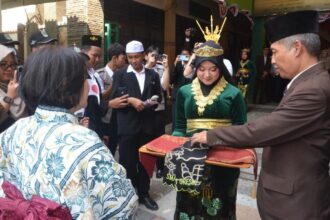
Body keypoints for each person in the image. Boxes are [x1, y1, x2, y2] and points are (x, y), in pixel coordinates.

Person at [191, 10, 330, 219]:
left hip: (297, 204)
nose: (272, 60)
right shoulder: (308, 81)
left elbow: (266, 129)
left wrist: (211, 136)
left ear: (297, 48)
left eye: (274, 52)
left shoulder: (313, 89)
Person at [0, 47, 138, 219]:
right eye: (84, 78)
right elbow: (123, 207)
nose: (88, 84)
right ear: (67, 84)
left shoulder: (13, 131)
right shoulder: (86, 143)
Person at [169, 23, 247, 218]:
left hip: (222, 157)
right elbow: (179, 127)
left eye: (213, 69)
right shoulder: (185, 92)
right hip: (189, 157)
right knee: (188, 201)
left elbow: (241, 129)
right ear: (196, 68)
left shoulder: (234, 93)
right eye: (202, 69)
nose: (207, 74)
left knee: (218, 202)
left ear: (220, 67)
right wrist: (175, 148)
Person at [111, 40, 161, 211]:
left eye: (137, 57)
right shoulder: (120, 74)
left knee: (146, 162)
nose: (133, 61)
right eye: (130, 57)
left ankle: (144, 194)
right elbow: (116, 96)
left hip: (147, 126)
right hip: (127, 126)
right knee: (127, 162)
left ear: (143, 55)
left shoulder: (153, 75)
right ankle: (130, 194)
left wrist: (150, 102)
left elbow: (159, 97)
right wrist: (131, 100)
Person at [144, 45, 170, 178]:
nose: (154, 58)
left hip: (159, 108)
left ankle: (160, 167)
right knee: (146, 139)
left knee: (160, 138)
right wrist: (148, 65)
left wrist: (166, 68)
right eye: (152, 55)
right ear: (146, 56)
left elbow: (164, 87)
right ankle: (147, 166)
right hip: (144, 110)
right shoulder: (141, 70)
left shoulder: (161, 69)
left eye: (156, 55)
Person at [97, 43, 127, 155]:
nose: (125, 62)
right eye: (123, 58)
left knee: (114, 151)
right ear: (114, 58)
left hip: (119, 120)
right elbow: (98, 99)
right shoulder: (99, 75)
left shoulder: (124, 74)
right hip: (104, 120)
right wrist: (114, 83)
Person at [80, 35, 107, 139]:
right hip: (83, 128)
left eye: (99, 56)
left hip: (96, 127)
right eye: (94, 55)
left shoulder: (94, 75)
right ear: (83, 53)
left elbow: (97, 102)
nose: (98, 59)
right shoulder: (77, 74)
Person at [0, 45, 26, 132]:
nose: (9, 69)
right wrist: (9, 97)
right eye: (3, 64)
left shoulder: (18, 85)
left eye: (13, 64)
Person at [171, 47, 192, 131]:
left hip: (189, 96)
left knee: (187, 118)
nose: (184, 57)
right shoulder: (178, 64)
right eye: (183, 55)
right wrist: (175, 64)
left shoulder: (192, 65)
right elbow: (172, 80)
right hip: (177, 96)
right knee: (176, 119)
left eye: (186, 55)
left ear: (190, 56)